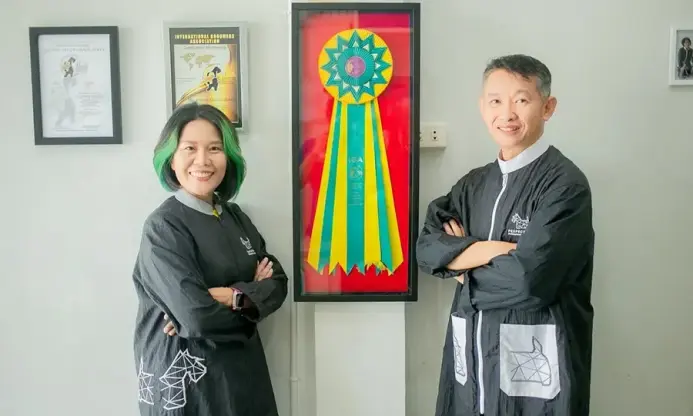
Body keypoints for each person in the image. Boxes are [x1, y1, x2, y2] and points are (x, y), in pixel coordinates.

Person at [416, 54, 595, 416]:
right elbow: (426, 249)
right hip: (471, 363)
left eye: (522, 100)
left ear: (548, 107)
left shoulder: (564, 186)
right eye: (496, 101)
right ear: (483, 107)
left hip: (537, 372)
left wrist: (460, 268)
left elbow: (529, 282)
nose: (507, 113)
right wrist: (488, 250)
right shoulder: (471, 186)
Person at [131, 102, 288, 416]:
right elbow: (196, 317)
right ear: (171, 158)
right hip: (189, 385)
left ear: (228, 157)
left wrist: (232, 296)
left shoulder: (235, 217)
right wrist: (251, 301)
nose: (202, 160)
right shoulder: (164, 227)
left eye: (214, 148)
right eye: (190, 148)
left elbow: (278, 284)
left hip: (241, 375)